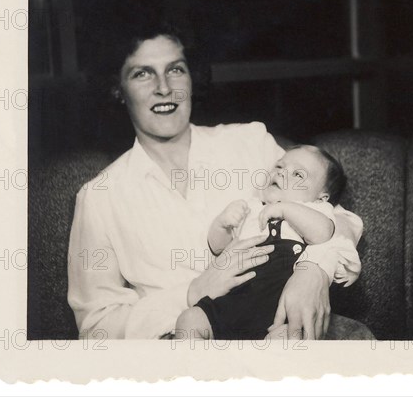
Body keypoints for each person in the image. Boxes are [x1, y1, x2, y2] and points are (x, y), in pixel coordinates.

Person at [67, 30, 364, 340]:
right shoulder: (99, 197)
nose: (164, 88)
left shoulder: (249, 143)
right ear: (118, 89)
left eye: (175, 69)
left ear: (192, 78)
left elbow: (340, 220)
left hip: (276, 328)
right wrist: (191, 293)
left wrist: (314, 270)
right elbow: (95, 328)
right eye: (142, 74)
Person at [176, 144, 347, 340]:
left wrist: (284, 209)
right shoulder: (252, 208)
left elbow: (323, 233)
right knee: (188, 320)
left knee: (291, 339)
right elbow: (218, 248)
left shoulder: (316, 211)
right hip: (234, 300)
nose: (282, 174)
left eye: (298, 174)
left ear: (321, 198)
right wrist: (221, 225)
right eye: (280, 167)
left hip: (279, 312)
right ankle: (203, 370)